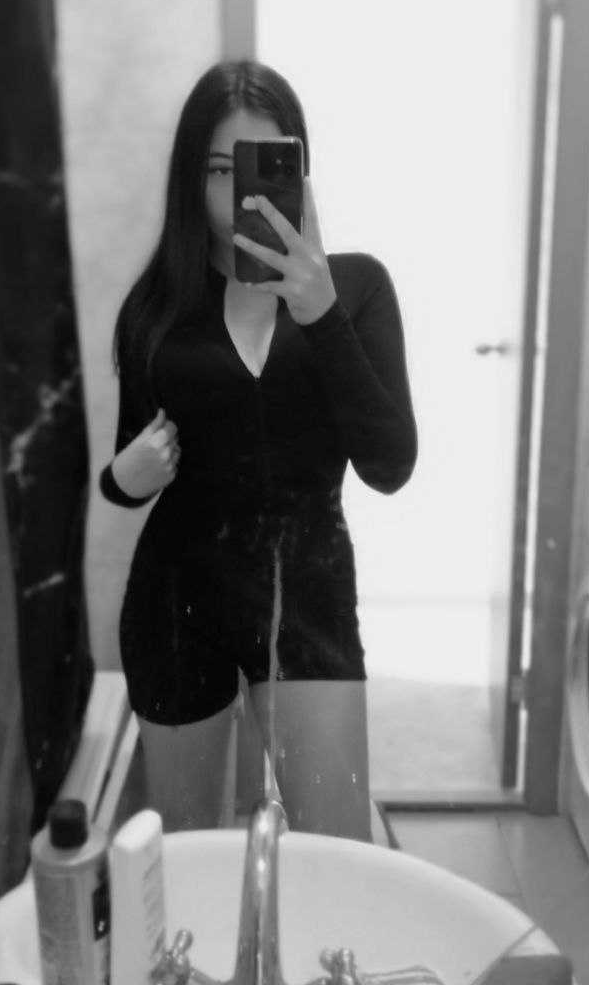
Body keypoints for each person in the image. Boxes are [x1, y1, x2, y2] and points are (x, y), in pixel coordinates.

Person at [100, 59, 417, 840]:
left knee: (337, 851)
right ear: (189, 177)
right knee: (189, 856)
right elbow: (129, 471)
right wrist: (119, 478)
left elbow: (389, 465)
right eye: (218, 169)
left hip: (306, 592)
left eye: (261, 165)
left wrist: (321, 314)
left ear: (297, 170)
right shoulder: (154, 310)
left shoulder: (356, 288)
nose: (239, 194)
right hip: (176, 600)